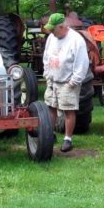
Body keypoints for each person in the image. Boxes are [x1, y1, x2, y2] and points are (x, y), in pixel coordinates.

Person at [42, 12, 90, 152]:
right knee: (51, 107)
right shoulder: (52, 37)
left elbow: (82, 63)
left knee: (68, 110)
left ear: (62, 26)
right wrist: (47, 74)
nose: (50, 31)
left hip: (67, 81)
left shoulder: (76, 40)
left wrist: (73, 82)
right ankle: (50, 134)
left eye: (53, 28)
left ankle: (67, 139)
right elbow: (46, 57)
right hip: (53, 79)